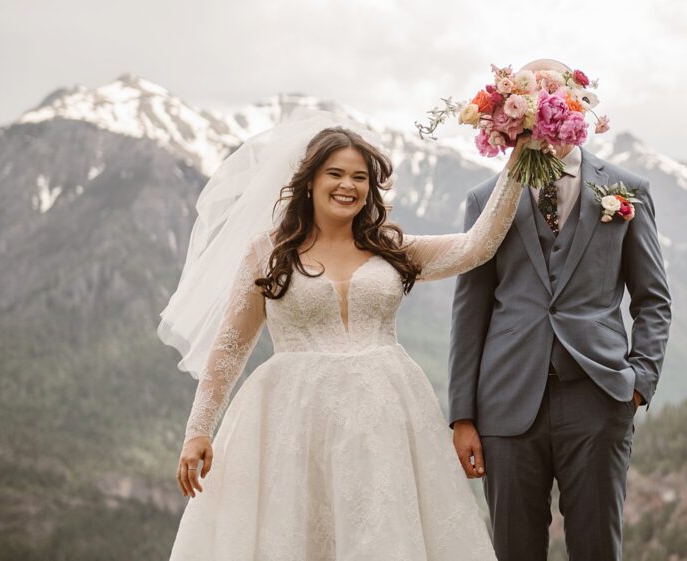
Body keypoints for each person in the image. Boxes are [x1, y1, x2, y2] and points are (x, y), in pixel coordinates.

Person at [158, 111, 528, 559]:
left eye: (359, 177)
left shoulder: (390, 247)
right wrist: (198, 430)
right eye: (335, 173)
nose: (347, 185)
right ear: (309, 181)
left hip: (386, 417)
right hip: (292, 420)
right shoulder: (267, 252)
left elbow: (476, 246)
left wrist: (521, 156)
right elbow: (230, 347)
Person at [448, 59, 673, 561]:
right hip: (506, 402)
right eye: (534, 92)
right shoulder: (485, 199)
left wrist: (638, 383)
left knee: (597, 548)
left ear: (577, 102)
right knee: (513, 550)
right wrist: (462, 415)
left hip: (600, 396)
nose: (543, 103)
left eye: (554, 91)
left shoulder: (627, 190)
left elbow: (653, 299)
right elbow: (470, 308)